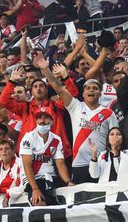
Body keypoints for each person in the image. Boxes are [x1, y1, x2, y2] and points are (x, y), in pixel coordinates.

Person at [37, 54, 116, 183]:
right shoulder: (75, 106)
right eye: (88, 88)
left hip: (103, 163)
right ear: (83, 94)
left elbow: (115, 139)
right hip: (79, 164)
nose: (91, 90)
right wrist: (46, 71)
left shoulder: (108, 113)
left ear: (100, 93)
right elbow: (59, 88)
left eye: (95, 88)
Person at [19, 109, 71, 206]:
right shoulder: (28, 137)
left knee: (68, 202)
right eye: (39, 118)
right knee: (40, 204)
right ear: (36, 121)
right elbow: (27, 165)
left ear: (52, 121)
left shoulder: (56, 140)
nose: (42, 120)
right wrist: (35, 189)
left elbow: (60, 164)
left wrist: (68, 182)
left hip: (51, 177)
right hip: (33, 179)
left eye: (46, 117)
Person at [0, 138, 28, 207]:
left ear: (13, 152)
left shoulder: (21, 164)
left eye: (7, 148)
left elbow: (25, 185)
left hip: (20, 201)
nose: (4, 151)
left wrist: (8, 194)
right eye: (1, 149)